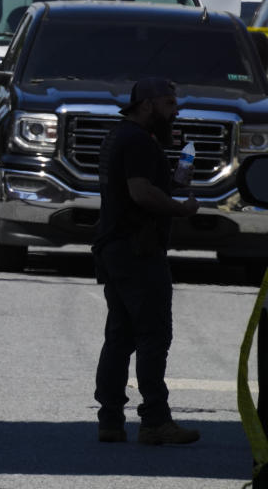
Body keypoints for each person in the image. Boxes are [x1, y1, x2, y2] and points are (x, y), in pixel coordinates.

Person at [93, 77, 201, 446]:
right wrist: (180, 208)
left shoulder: (123, 137)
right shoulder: (137, 140)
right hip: (138, 252)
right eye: (169, 103)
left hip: (116, 248)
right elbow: (140, 193)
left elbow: (134, 185)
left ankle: (110, 420)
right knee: (153, 335)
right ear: (147, 104)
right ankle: (155, 420)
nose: (176, 110)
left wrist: (169, 177)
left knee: (120, 336)